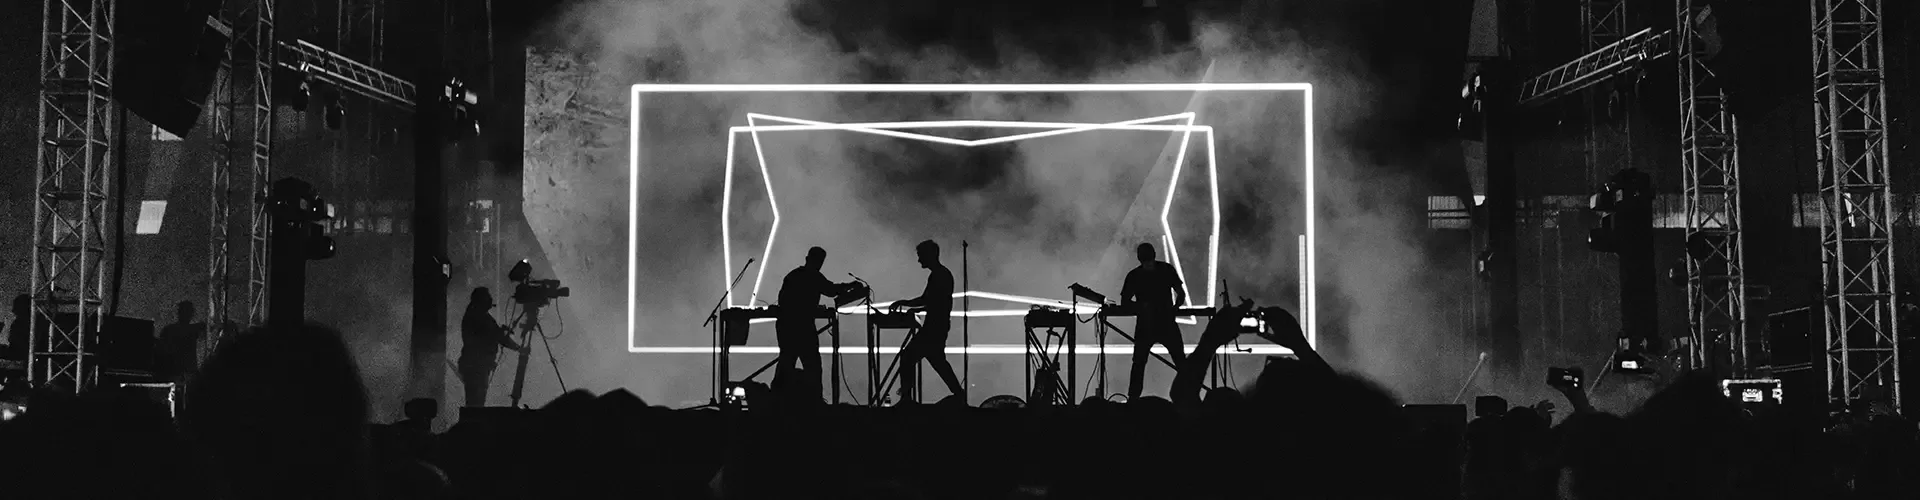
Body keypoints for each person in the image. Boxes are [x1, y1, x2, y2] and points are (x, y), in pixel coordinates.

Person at [773, 247, 860, 401]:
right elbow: (831, 290)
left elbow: (784, 301)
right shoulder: (812, 276)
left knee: (787, 363)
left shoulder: (794, 275)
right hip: (801, 327)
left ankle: (776, 399)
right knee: (812, 366)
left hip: (786, 326)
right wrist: (850, 286)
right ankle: (815, 401)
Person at [886, 240, 964, 403]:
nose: (919, 260)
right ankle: (958, 394)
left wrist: (905, 303)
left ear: (929, 255)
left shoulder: (939, 275)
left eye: (921, 255)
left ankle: (907, 399)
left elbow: (929, 300)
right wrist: (917, 308)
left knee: (908, 358)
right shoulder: (941, 274)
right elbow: (935, 301)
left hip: (934, 327)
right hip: (938, 325)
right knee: (938, 362)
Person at [1119, 243, 1187, 400]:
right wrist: (1175, 307)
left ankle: (1133, 400)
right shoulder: (1166, 269)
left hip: (1146, 324)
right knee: (1180, 361)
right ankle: (1188, 395)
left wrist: (1141, 307)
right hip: (1165, 323)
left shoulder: (1134, 275)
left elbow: (1125, 303)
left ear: (1139, 257)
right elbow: (1181, 293)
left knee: (1139, 363)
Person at [458, 288, 524, 408]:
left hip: (475, 366)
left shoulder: (476, 314)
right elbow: (496, 336)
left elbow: (493, 334)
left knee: (475, 402)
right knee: (476, 403)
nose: (490, 299)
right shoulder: (479, 316)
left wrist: (500, 332)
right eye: (487, 297)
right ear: (481, 300)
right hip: (477, 368)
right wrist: (519, 348)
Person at [155, 301, 203, 381]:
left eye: (187, 311)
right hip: (176, 372)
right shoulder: (173, 330)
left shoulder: (170, 330)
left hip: (180, 373)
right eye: (184, 311)